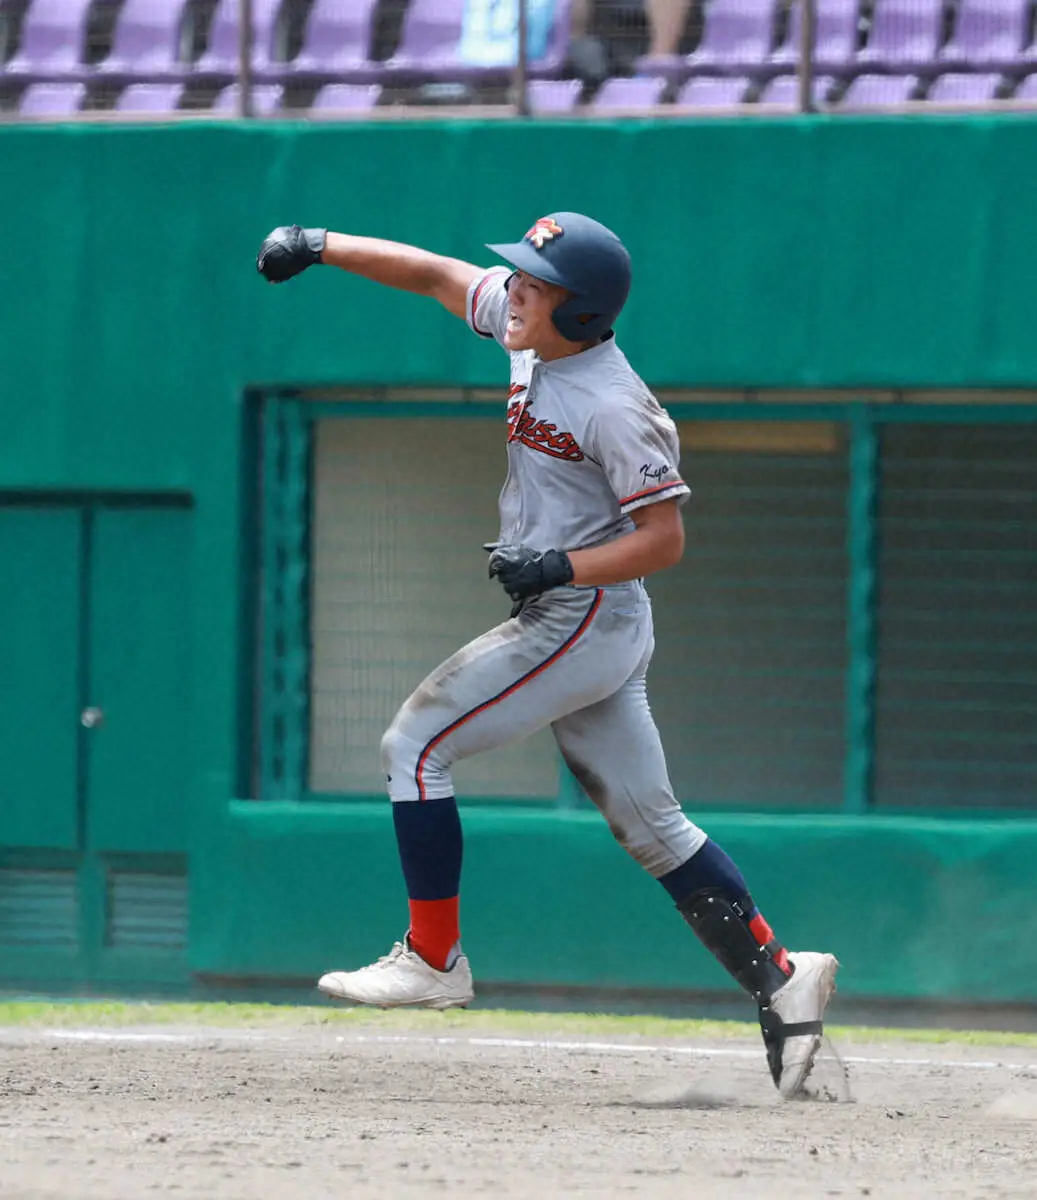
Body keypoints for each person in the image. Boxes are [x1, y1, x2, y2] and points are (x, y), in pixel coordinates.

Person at [256, 214, 839, 1098]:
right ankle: (778, 976)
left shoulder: (612, 402)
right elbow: (436, 275)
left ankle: (433, 955)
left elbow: (664, 539)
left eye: (535, 280)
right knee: (652, 826)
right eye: (520, 275)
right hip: (583, 612)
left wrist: (557, 563)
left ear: (581, 312)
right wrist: (319, 243)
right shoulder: (535, 339)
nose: (515, 288)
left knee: (414, 744)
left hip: (582, 612)